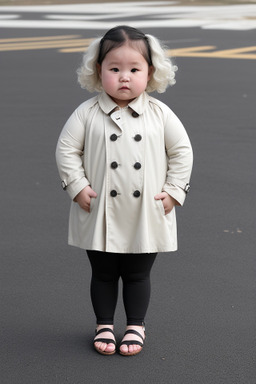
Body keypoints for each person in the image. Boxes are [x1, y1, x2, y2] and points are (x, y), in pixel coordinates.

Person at [56, 25, 193, 357]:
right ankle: (104, 322)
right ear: (98, 70)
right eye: (114, 69)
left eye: (134, 69)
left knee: (137, 273)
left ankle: (135, 324)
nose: (124, 77)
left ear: (151, 72)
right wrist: (77, 186)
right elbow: (66, 150)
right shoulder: (87, 113)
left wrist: (174, 191)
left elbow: (182, 151)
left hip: (147, 208)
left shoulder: (160, 114)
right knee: (102, 272)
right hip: (98, 207)